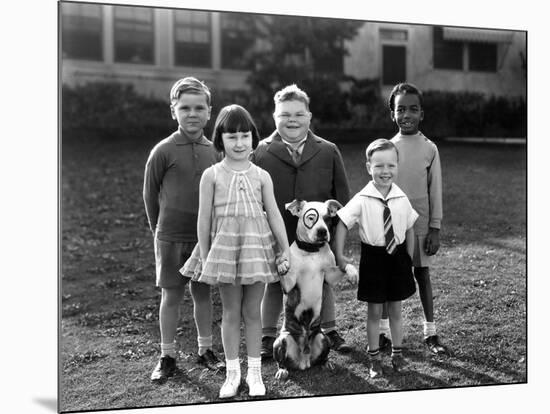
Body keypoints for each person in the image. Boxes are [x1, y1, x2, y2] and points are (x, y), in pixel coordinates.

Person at [180, 105, 290, 399]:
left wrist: (285, 248)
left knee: (252, 312)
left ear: (254, 139)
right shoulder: (212, 175)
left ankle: (254, 373)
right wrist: (205, 256)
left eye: (245, 136)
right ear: (220, 140)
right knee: (230, 312)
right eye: (232, 137)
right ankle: (233, 375)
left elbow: (275, 214)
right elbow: (203, 219)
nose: (239, 143)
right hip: (224, 252)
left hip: (256, 248)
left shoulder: (262, 175)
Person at [251, 84, 352, 358]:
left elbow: (343, 200)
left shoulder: (328, 150)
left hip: (317, 237)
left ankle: (329, 330)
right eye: (284, 115)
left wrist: (337, 236)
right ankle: (267, 335)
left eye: (298, 114)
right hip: (277, 234)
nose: (292, 120)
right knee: (274, 283)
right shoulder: (260, 152)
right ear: (274, 117)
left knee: (322, 280)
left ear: (309, 117)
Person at [143, 77, 224, 384]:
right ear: (173, 111)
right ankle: (167, 356)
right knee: (171, 295)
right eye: (185, 107)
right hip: (170, 237)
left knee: (203, 294)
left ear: (209, 112)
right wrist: (158, 230)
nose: (192, 113)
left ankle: (206, 351)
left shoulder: (215, 151)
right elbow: (150, 195)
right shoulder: (162, 150)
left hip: (204, 239)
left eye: (199, 107)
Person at [334, 138, 418, 378]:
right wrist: (339, 256)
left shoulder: (402, 198)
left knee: (396, 311)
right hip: (374, 259)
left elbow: (410, 226)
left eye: (391, 165)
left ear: (397, 166)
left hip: (398, 258)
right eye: (379, 165)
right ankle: (374, 359)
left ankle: (397, 355)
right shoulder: (362, 198)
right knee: (374, 312)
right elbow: (341, 223)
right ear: (368, 167)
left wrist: (408, 258)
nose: (385, 171)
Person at [378, 82, 447, 355]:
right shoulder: (387, 148)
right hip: (392, 225)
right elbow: (381, 187)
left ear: (422, 114)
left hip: (420, 225)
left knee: (422, 274)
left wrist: (435, 229)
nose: (407, 115)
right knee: (388, 277)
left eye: (413, 109)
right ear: (392, 114)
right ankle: (383, 333)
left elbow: (435, 190)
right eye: (401, 109)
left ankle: (430, 332)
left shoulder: (430, 149)